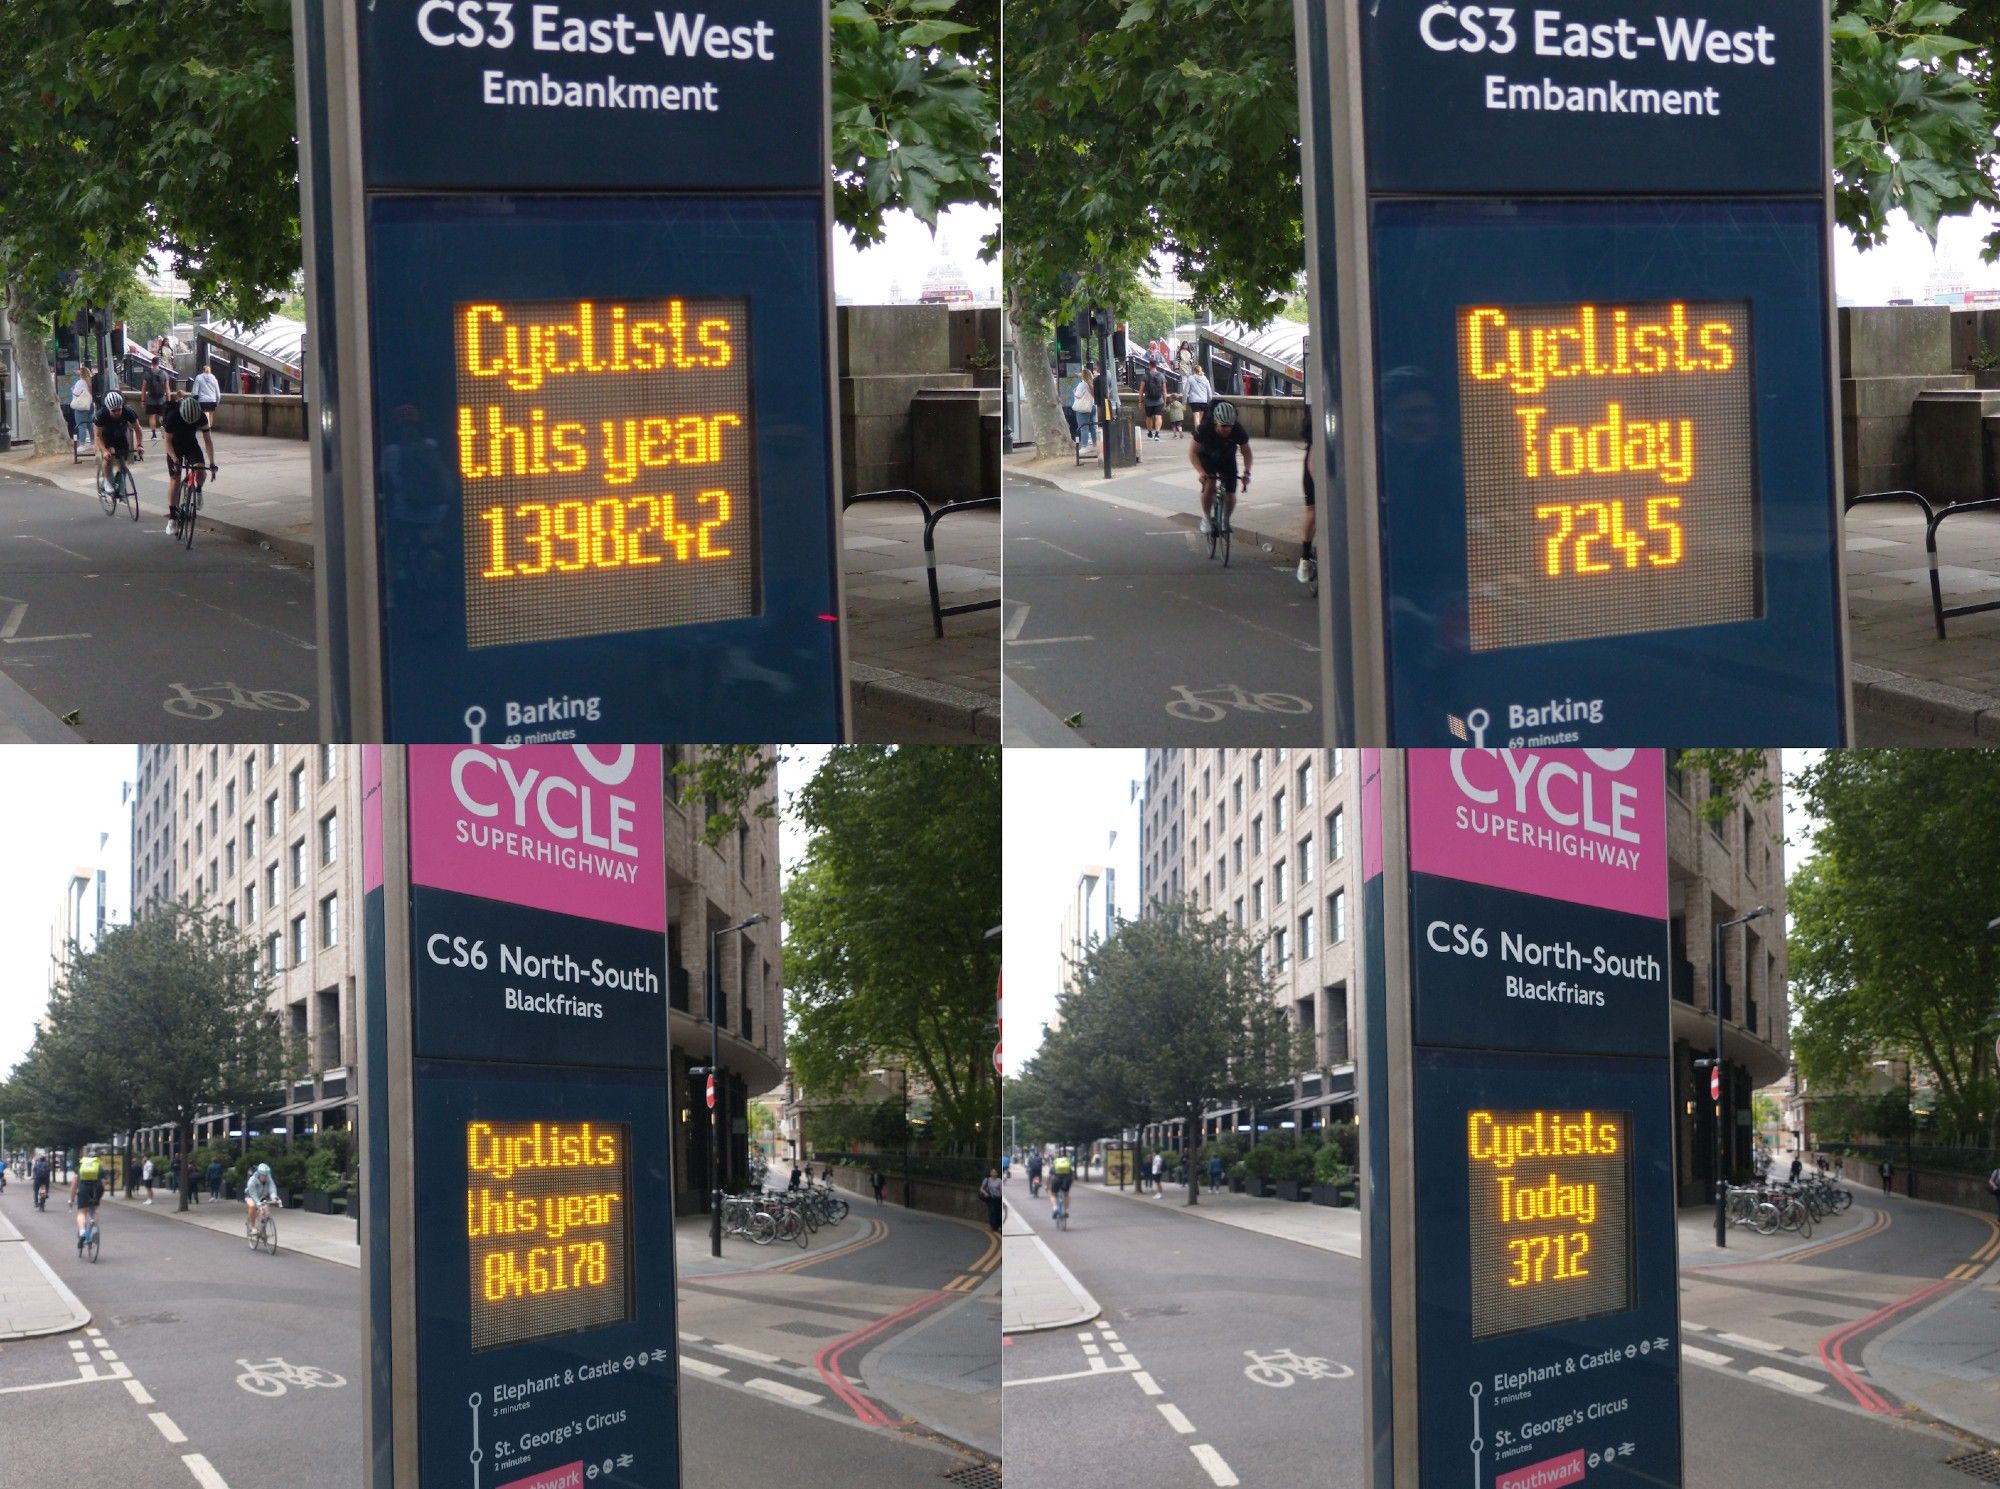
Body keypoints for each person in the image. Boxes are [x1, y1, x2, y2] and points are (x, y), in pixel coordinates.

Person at [1189, 400, 1251, 537]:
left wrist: (1246, 472)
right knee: (1209, 484)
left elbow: (1247, 452)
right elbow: (1192, 452)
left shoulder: (1237, 430)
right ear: (1216, 422)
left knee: (1230, 493)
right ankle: (1206, 518)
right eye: (1223, 426)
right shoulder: (1205, 428)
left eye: (1230, 426)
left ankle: (1226, 520)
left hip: (1227, 458)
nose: (1227, 429)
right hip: (1207, 456)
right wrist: (1201, 472)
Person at [164, 395, 216, 527]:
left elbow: (208, 441)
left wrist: (212, 462)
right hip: (174, 447)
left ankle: (198, 490)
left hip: (191, 444)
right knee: (175, 479)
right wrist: (175, 460)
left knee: (200, 469)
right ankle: (172, 517)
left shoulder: (202, 416)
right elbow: (167, 442)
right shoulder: (173, 416)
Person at [94, 390, 143, 496]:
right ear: (108, 409)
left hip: (120, 433)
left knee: (124, 457)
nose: (117, 412)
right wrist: (104, 451)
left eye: (119, 409)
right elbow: (97, 436)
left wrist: (139, 445)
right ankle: (107, 482)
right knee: (108, 457)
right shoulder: (101, 414)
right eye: (113, 411)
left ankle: (119, 481)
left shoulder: (128, 411)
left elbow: (138, 429)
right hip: (106, 435)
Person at [1299, 406, 1317, 585]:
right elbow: (1313, 465)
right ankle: (1305, 558)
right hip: (1314, 471)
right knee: (1313, 511)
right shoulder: (1315, 438)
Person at [72, 1153, 106, 1250]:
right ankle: (93, 1226)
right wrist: (99, 1196)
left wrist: (72, 1198)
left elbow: (74, 1183)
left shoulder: (80, 1167)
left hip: (83, 1189)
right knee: (94, 1210)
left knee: (81, 1212)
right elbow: (103, 1183)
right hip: (96, 1189)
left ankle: (82, 1232)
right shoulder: (99, 1167)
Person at [243, 1162, 279, 1244]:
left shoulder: (269, 1178)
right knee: (252, 1206)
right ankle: (253, 1227)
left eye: (267, 1175)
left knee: (265, 1210)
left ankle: (262, 1229)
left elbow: (272, 1188)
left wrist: (274, 1197)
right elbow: (253, 1194)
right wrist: (258, 1204)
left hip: (262, 1196)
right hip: (251, 1196)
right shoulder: (252, 1181)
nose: (265, 1177)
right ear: (259, 1174)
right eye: (264, 1175)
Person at [1071, 365, 1098, 455]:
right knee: (1093, 427)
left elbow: (1078, 396)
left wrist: (1074, 391)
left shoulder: (1082, 385)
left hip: (1083, 408)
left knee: (1083, 427)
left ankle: (1085, 446)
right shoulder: (1093, 384)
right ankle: (1095, 444)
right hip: (1092, 407)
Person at [142, 357, 171, 440]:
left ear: (152, 363)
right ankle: (162, 427)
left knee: (152, 417)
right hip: (162, 398)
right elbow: (167, 388)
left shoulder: (147, 373)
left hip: (151, 398)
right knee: (162, 416)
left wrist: (143, 400)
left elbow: (143, 388)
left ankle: (154, 434)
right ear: (159, 363)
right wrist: (168, 400)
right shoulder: (164, 373)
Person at [1181, 362, 1213, 434]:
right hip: (1203, 400)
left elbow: (1186, 391)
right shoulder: (1205, 379)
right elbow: (1209, 391)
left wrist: (1184, 401)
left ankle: (1197, 432)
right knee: (1200, 418)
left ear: (1194, 371)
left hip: (1194, 400)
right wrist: (1209, 400)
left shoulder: (1190, 378)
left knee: (1196, 417)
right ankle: (1199, 431)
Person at [1140, 359, 1167, 441]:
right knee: (1159, 417)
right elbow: (1164, 391)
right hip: (1159, 400)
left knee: (1149, 417)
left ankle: (1150, 432)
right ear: (1156, 365)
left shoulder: (1145, 376)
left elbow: (1141, 390)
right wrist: (1165, 401)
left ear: (1149, 365)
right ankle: (1157, 434)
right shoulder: (1161, 375)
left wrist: (1140, 401)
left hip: (1148, 400)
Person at [69, 367, 94, 448]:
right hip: (89, 405)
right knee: (90, 425)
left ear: (81, 373)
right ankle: (93, 443)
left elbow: (76, 393)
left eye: (79, 370)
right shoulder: (90, 381)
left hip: (81, 407)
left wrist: (72, 389)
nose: (77, 371)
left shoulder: (80, 382)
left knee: (81, 425)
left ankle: (82, 444)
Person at [1049, 1149, 1073, 1224]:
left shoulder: (1054, 1166)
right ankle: (1065, 1211)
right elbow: (1072, 1176)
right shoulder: (1068, 1167)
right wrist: (1070, 1185)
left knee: (1053, 1195)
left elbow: (1049, 1177)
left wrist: (1046, 1186)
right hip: (1066, 1180)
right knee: (1066, 1194)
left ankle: (1055, 1208)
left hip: (1057, 1180)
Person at [979, 1167, 1003, 1232]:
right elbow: (981, 1188)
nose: (993, 1173)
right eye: (992, 1172)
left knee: (998, 1212)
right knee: (991, 1212)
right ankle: (992, 1226)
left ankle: (998, 1226)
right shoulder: (987, 1180)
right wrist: (985, 1193)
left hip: (998, 1198)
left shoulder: (999, 1180)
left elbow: (1001, 1190)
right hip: (990, 1198)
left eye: (995, 1172)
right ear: (990, 1173)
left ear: (997, 1173)